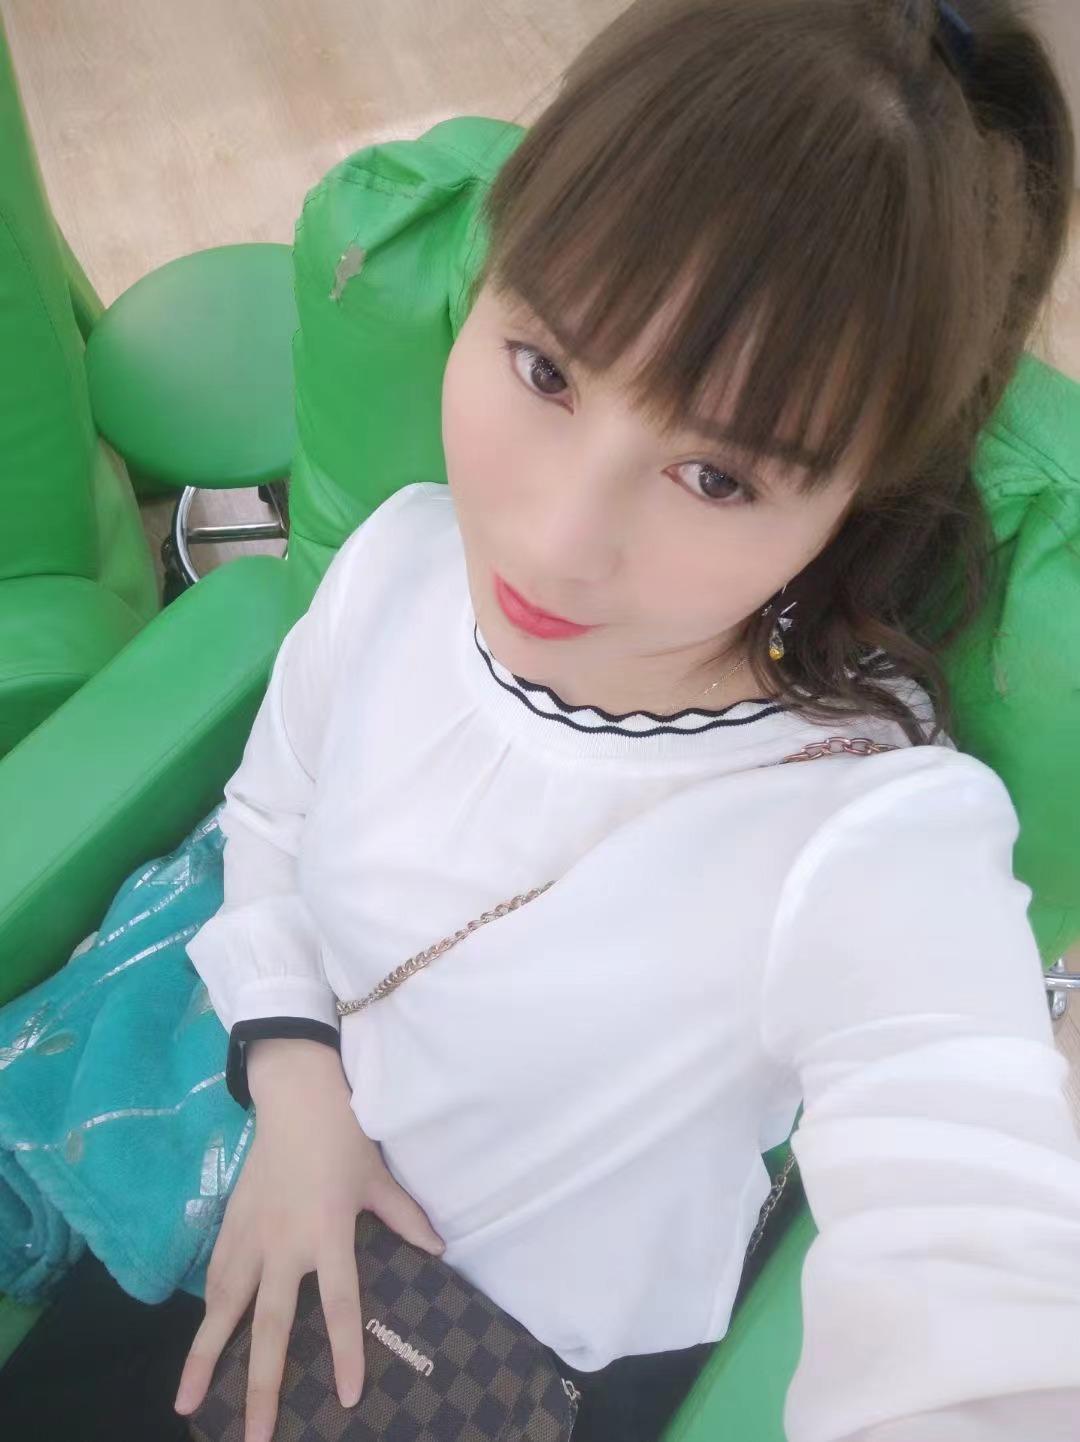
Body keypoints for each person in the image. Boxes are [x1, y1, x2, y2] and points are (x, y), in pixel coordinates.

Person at [3, 2, 1080, 1441]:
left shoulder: (868, 828)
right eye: (548, 369)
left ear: (859, 493)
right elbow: (268, 811)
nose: (555, 542)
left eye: (719, 478)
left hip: (521, 1360)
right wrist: (297, 1080)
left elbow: (979, 1273)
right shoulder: (400, 563)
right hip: (263, 1158)